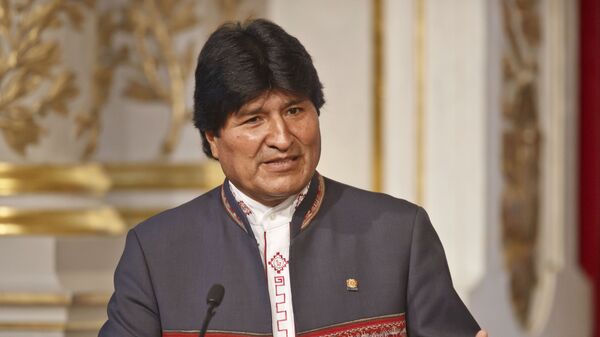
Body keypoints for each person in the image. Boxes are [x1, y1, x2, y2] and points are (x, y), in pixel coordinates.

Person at [99, 19, 488, 337]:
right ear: (212, 138)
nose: (283, 139)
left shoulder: (398, 234)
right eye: (254, 119)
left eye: (295, 111)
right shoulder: (157, 251)